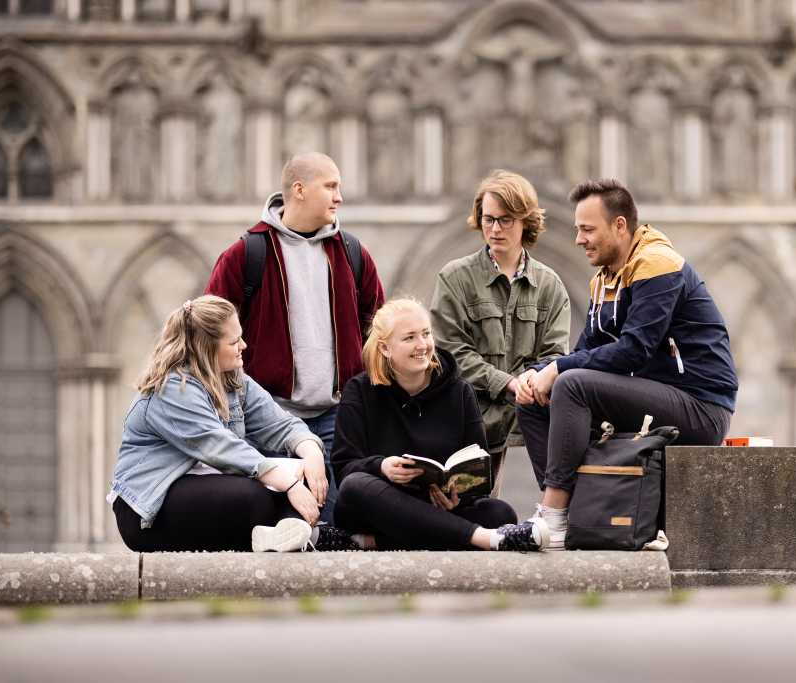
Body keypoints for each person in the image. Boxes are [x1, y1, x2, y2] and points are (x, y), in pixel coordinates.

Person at [515, 179, 738, 548]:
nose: (578, 240)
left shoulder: (658, 264)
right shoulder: (604, 280)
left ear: (620, 226)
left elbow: (633, 352)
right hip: (656, 401)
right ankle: (576, 512)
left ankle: (553, 520)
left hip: (700, 408)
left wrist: (558, 371)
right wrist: (540, 373)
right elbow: (585, 352)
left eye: (588, 230)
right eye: (577, 230)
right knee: (534, 399)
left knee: (570, 383)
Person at [205, 152, 384, 525]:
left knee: (337, 530)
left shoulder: (353, 255)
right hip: (264, 421)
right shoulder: (245, 254)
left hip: (338, 421)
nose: (339, 197)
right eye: (331, 186)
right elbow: (207, 338)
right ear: (299, 190)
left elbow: (380, 335)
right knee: (270, 530)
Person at [109, 295, 359, 552]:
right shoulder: (172, 388)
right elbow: (222, 448)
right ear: (206, 347)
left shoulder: (232, 378)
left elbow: (280, 424)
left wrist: (313, 453)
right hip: (147, 511)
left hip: (210, 489)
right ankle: (306, 535)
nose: (244, 344)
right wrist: (291, 485)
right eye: (234, 341)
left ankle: (287, 534)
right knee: (252, 497)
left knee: (309, 474)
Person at [329, 298, 549, 552]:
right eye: (409, 338)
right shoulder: (360, 390)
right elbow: (345, 469)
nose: (422, 345)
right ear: (385, 348)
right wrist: (382, 467)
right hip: (378, 509)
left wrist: (457, 498)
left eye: (426, 333)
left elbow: (479, 472)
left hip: (436, 506)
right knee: (356, 485)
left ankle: (372, 543)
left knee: (500, 513)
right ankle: (485, 539)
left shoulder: (459, 391)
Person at [430, 170, 570, 497]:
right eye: (488, 219)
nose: (494, 229)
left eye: (506, 220)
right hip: (470, 422)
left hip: (532, 419)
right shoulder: (455, 278)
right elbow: (451, 352)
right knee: (478, 519)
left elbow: (555, 356)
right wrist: (507, 383)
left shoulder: (550, 286)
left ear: (526, 222)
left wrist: (531, 382)